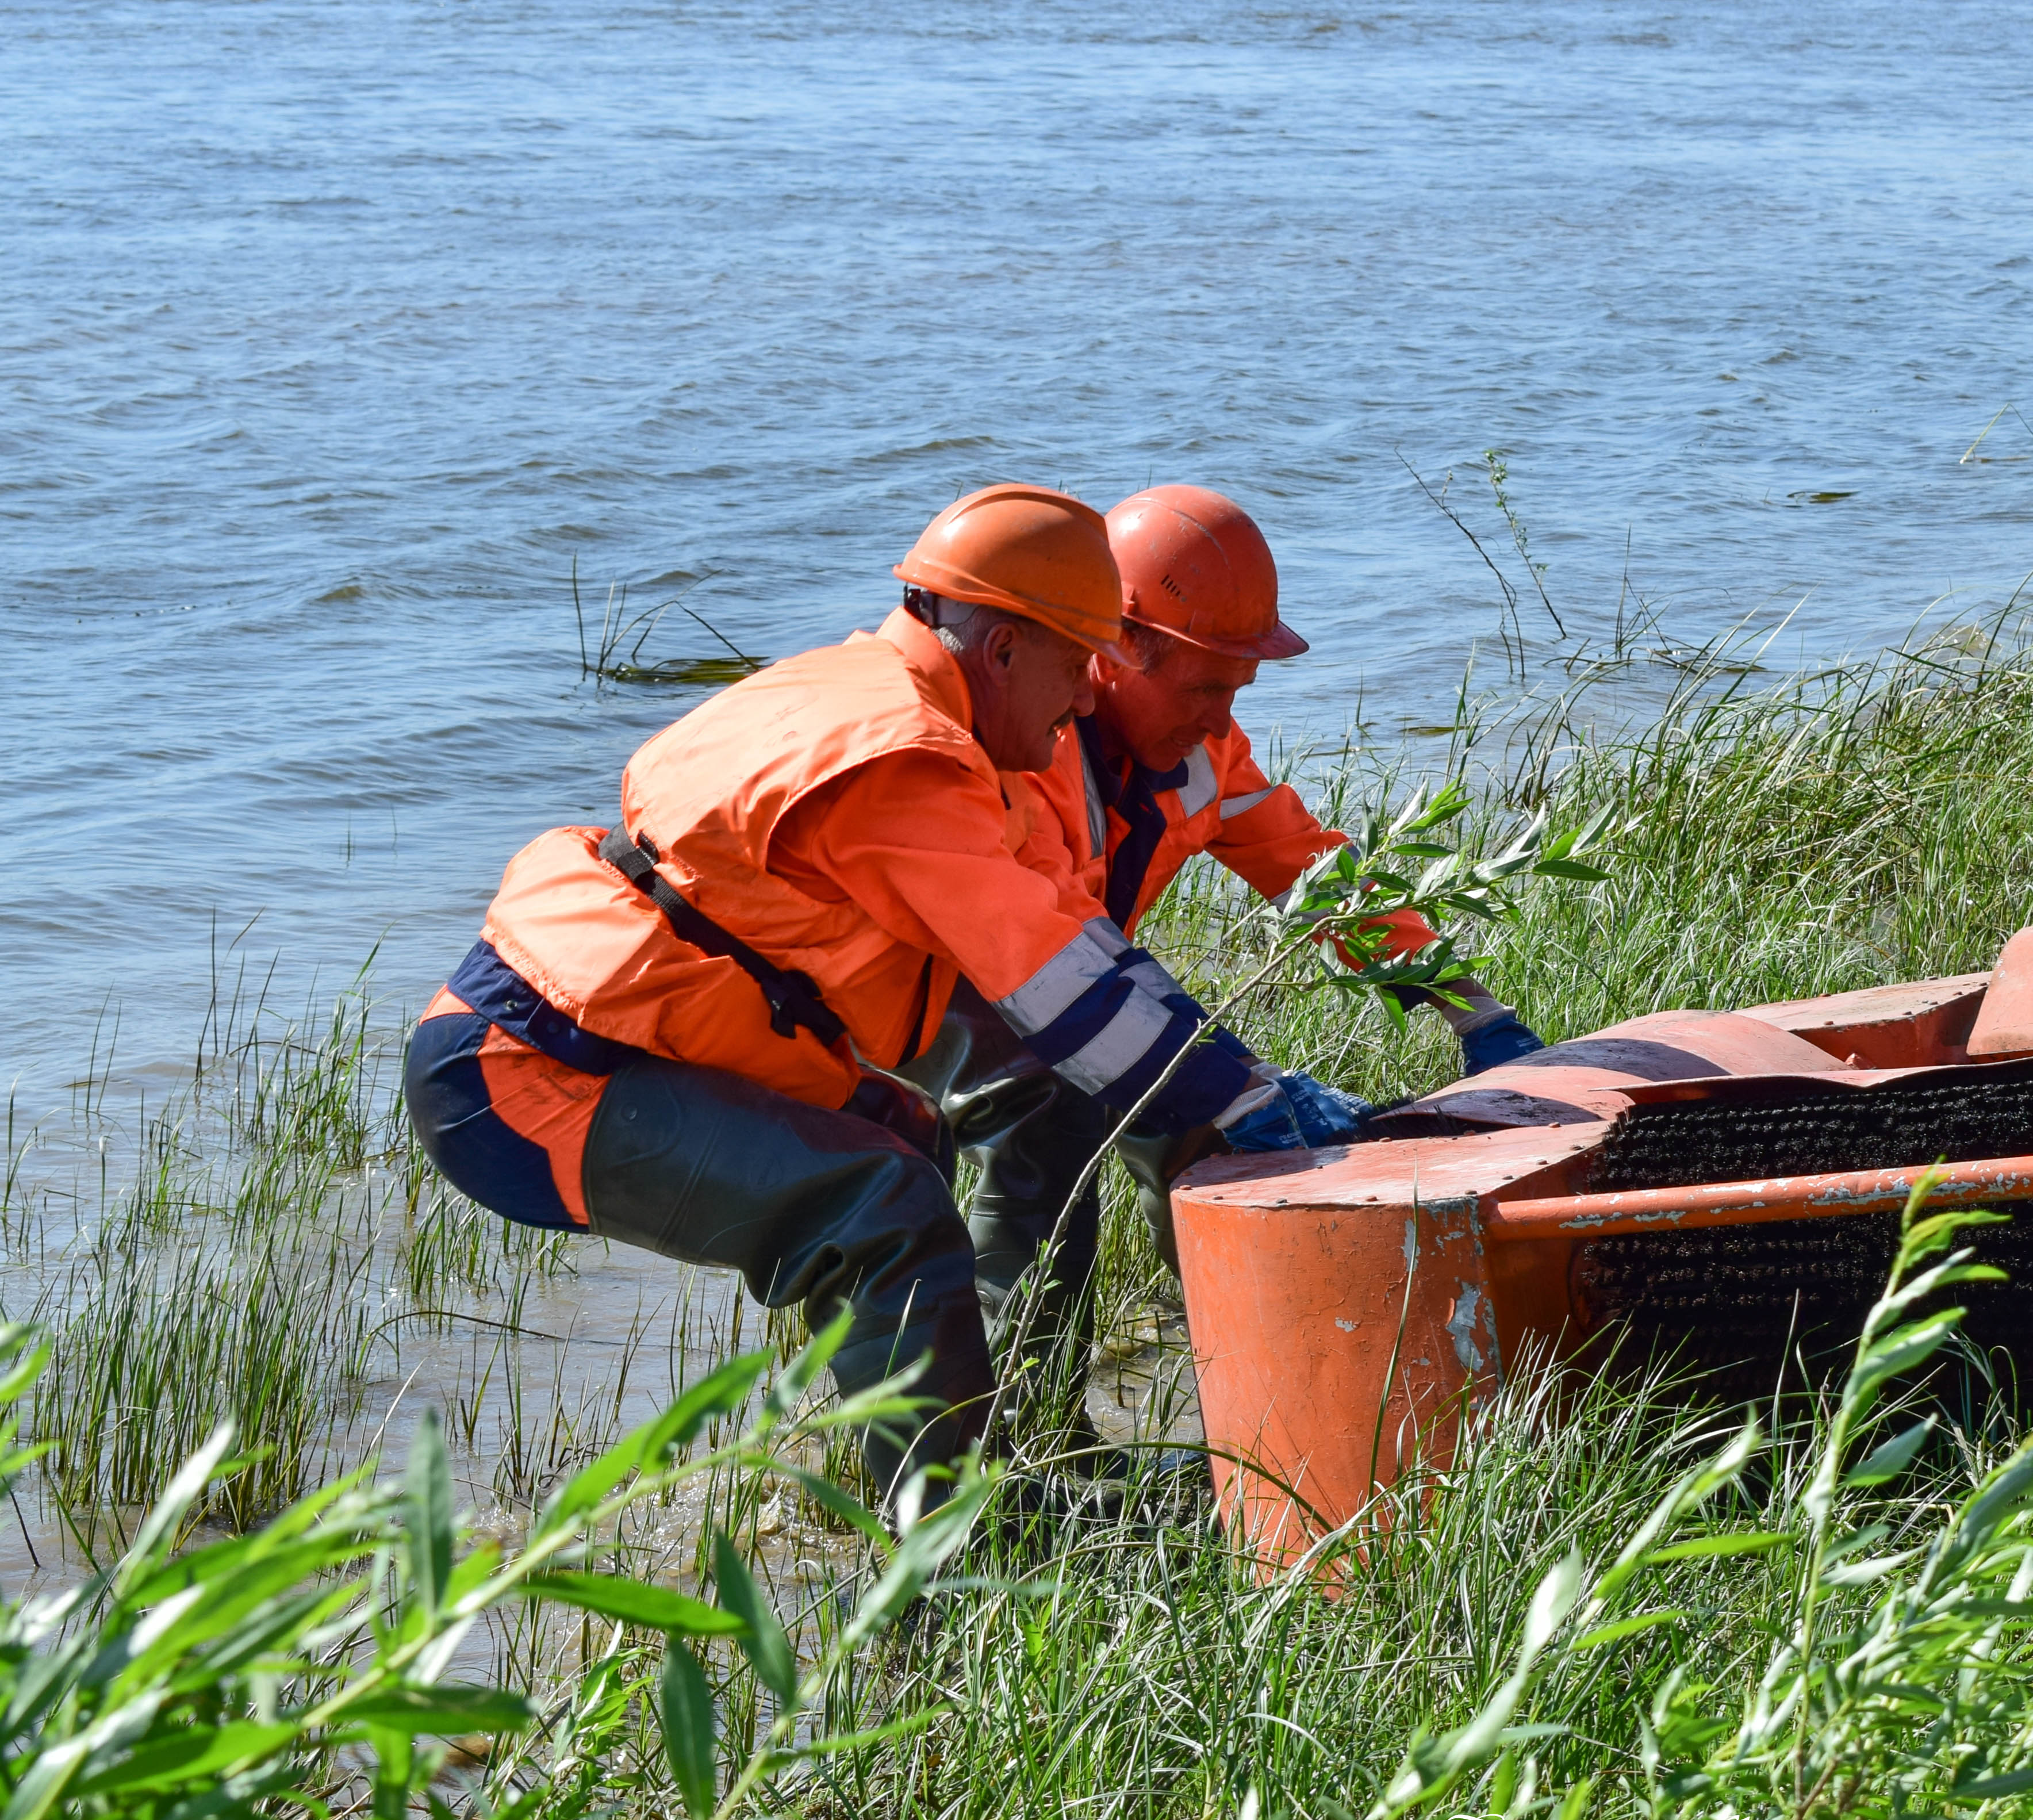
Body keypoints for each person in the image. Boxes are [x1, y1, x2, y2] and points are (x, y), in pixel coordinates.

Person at [398, 484, 1401, 1512]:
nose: (1091, 696)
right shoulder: (898, 758)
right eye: (1076, 662)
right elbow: (1059, 980)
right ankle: (961, 1572)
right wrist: (1242, 1099)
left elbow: (1065, 934)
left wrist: (1248, 1077)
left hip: (617, 1037)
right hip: (526, 1075)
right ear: (1003, 648)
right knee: (881, 1207)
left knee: (993, 1116)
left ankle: (1014, 1457)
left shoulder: (929, 720)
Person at [954, 483, 1548, 1369]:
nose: (1223, 715)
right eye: (1204, 685)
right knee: (1050, 1132)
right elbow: (1054, 962)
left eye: (1239, 687)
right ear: (1116, 647)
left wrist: (1475, 1012)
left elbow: (1317, 877)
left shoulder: (1203, 753)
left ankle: (1252, 1376)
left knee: (1205, 1129)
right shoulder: (1024, 754)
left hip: (1070, 979)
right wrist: (1234, 1073)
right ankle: (1013, 1455)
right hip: (951, 997)